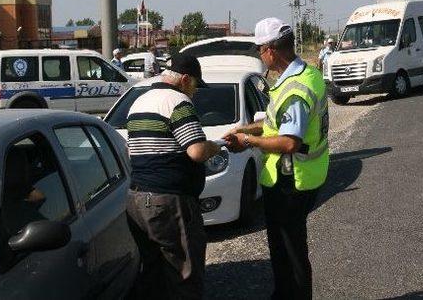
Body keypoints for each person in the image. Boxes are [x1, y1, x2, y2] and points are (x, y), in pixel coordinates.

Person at [223, 18, 329, 300]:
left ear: (271, 50)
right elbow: (277, 125)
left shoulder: (295, 90)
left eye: (260, 49)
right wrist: (247, 128)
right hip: (301, 175)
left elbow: (289, 141)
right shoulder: (306, 75)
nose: (259, 55)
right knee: (284, 247)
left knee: (290, 251)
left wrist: (248, 142)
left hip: (291, 181)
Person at [126, 53, 222, 299]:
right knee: (184, 273)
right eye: (195, 86)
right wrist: (217, 144)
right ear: (186, 80)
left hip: (137, 200)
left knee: (153, 272)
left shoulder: (139, 102)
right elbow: (197, 150)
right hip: (169, 202)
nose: (196, 92)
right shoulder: (178, 102)